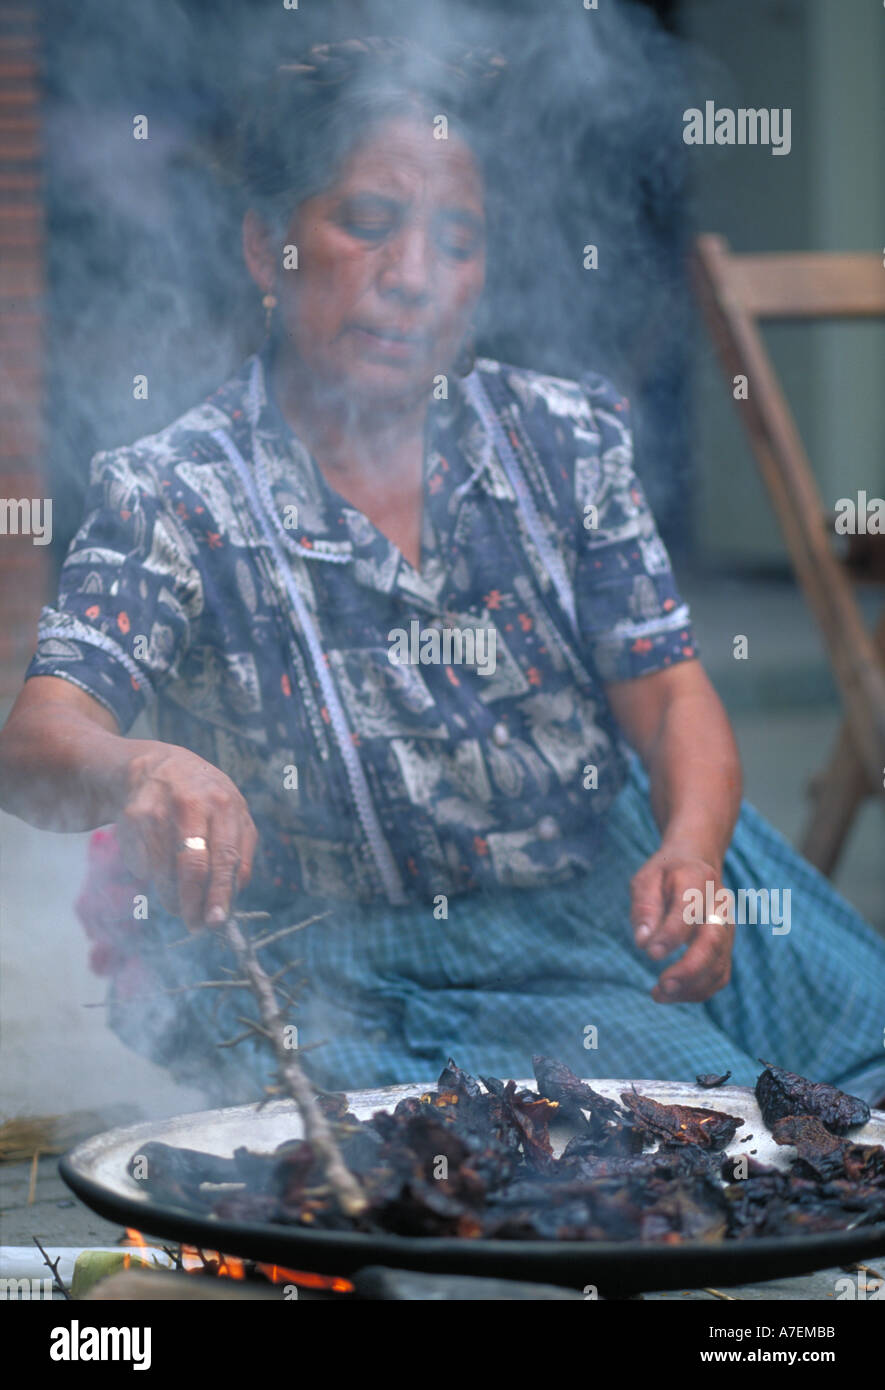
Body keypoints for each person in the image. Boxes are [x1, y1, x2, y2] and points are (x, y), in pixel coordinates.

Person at [1, 37, 883, 1107]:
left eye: (456, 239)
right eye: (367, 224)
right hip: (348, 958)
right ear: (265, 247)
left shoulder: (562, 440)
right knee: (654, 1150)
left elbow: (669, 691)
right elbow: (39, 737)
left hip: (606, 874)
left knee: (854, 1081)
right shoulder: (177, 492)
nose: (413, 276)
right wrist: (141, 767)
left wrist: (695, 849)